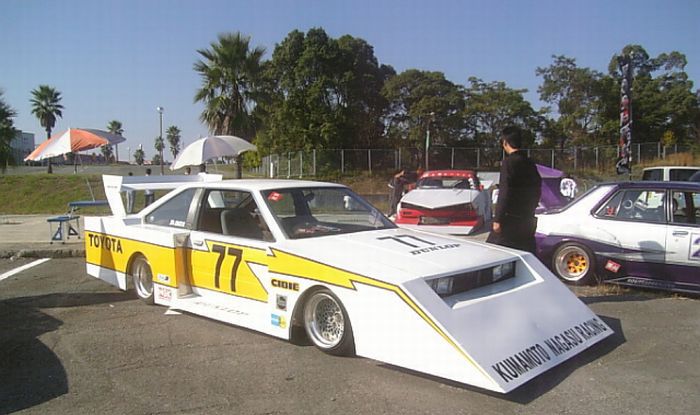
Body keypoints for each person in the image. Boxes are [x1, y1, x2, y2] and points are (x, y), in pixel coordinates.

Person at [486, 126, 542, 253]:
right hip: (527, 217)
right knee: (525, 252)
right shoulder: (530, 163)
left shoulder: (509, 163)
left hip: (509, 219)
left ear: (505, 143)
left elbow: (505, 191)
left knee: (494, 252)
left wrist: (498, 219)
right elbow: (538, 187)